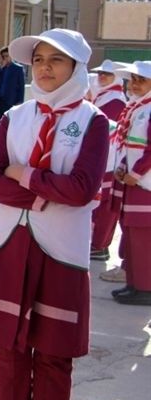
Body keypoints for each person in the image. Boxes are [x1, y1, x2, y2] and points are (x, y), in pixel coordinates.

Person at [0, 29, 109, 400]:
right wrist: (41, 195)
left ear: (77, 68)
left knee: (53, 355)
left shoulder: (93, 121)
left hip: (62, 252)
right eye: (39, 59)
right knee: (8, 352)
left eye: (56, 60)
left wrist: (25, 175)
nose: (45, 68)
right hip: (10, 244)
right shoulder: (16, 116)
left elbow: (83, 188)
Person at [106, 61, 151, 305]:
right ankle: (133, 283)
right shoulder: (137, 107)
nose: (134, 84)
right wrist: (123, 166)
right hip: (133, 182)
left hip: (145, 184)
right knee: (131, 234)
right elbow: (131, 145)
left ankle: (145, 288)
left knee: (143, 237)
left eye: (141, 80)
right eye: (132, 79)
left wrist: (136, 172)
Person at [88, 59, 128, 262]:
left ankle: (100, 245)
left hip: (110, 159)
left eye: (107, 74)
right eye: (100, 73)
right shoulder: (102, 95)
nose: (102, 77)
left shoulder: (115, 100)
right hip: (102, 157)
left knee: (105, 204)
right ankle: (96, 243)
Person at [0, 46, 26, 126]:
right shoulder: (0, 67)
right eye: (3, 56)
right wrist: (0, 68)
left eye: (7, 56)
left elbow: (21, 87)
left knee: (9, 124)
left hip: (11, 101)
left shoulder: (18, 68)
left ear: (11, 56)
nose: (5, 58)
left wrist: (20, 102)